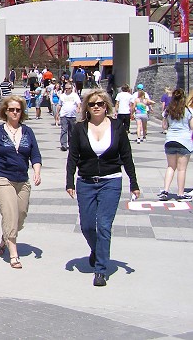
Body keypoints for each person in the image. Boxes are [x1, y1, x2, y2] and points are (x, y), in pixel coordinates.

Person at [66, 89, 139, 287]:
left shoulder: (117, 127)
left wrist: (133, 182)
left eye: (100, 103)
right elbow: (72, 157)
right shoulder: (80, 128)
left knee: (104, 226)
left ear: (106, 106)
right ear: (87, 108)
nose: (96, 106)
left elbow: (126, 156)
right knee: (88, 226)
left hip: (111, 181)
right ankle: (97, 251)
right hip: (86, 182)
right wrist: (69, 181)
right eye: (92, 104)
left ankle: (100, 270)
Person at [0, 95, 42, 269]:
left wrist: (37, 171)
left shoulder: (28, 132)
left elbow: (35, 154)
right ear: (5, 111)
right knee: (10, 215)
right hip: (2, 179)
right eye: (11, 109)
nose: (15, 112)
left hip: (22, 180)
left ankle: (4, 239)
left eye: (18, 109)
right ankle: (13, 253)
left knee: (20, 217)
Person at [158, 89, 193, 201]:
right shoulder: (188, 111)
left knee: (171, 166)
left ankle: (165, 191)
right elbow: (192, 127)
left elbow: (164, 126)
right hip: (184, 141)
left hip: (170, 140)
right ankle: (180, 194)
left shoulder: (168, 110)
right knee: (181, 169)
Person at [57, 82, 81, 151]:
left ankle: (71, 144)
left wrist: (78, 108)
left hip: (72, 116)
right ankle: (63, 145)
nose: (67, 90)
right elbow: (59, 105)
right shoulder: (62, 96)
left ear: (71, 89)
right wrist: (57, 114)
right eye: (66, 88)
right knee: (64, 130)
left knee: (72, 131)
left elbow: (78, 103)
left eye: (69, 88)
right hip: (64, 115)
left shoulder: (75, 95)